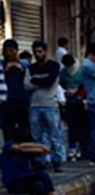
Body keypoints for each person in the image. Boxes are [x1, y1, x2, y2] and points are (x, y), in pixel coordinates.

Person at [2, 127, 70, 195]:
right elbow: (19, 147)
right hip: (13, 182)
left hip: (24, 180)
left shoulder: (26, 151)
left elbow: (42, 150)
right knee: (42, 175)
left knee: (39, 186)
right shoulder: (8, 146)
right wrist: (40, 145)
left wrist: (42, 147)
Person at [26, 41, 65, 172]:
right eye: (35, 52)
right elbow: (27, 85)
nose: (37, 54)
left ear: (45, 52)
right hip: (34, 106)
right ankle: (40, 162)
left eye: (40, 51)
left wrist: (36, 81)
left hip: (50, 105)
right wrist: (43, 81)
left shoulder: (54, 66)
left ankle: (57, 161)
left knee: (55, 135)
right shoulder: (31, 68)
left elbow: (50, 81)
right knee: (37, 136)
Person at [59, 54, 86, 159]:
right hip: (69, 100)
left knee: (80, 125)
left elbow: (84, 84)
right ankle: (72, 147)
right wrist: (66, 90)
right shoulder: (63, 72)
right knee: (71, 125)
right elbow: (61, 83)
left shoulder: (81, 71)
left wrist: (77, 90)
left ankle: (80, 147)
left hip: (80, 100)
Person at [3, 39, 30, 143]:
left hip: (23, 101)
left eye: (12, 51)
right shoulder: (2, 65)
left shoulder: (24, 64)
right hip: (8, 102)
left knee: (24, 129)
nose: (9, 54)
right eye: (7, 51)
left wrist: (21, 69)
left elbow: (30, 80)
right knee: (8, 129)